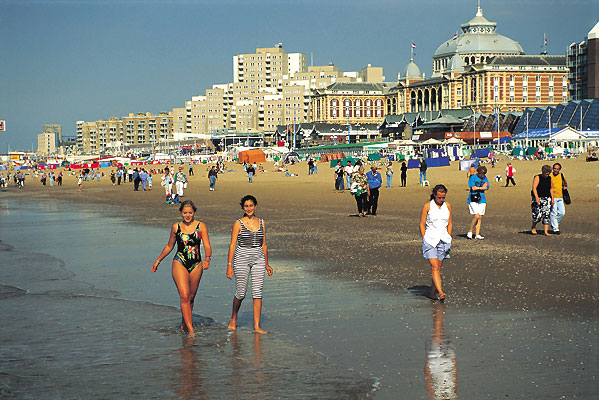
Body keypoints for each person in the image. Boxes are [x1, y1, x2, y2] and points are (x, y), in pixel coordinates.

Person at [151, 200, 212, 335]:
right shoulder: (176, 227)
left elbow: (207, 245)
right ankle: (191, 330)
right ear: (181, 213)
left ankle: (184, 324)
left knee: (191, 297)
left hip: (196, 264)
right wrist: (158, 261)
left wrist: (207, 258)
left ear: (194, 212)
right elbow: (169, 246)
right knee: (184, 296)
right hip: (180, 261)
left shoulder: (201, 226)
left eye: (190, 212)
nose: (187, 215)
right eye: (185, 213)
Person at [226, 195, 273, 334]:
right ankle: (233, 318)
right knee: (241, 292)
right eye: (246, 206)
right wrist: (229, 265)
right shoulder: (238, 223)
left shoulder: (262, 222)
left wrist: (267, 264)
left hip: (258, 258)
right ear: (243, 208)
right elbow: (233, 244)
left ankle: (257, 326)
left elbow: (263, 244)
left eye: (251, 205)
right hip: (241, 258)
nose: (249, 208)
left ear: (255, 206)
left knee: (257, 292)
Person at [419, 184, 452, 301]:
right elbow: (422, 223)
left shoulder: (447, 206)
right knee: (434, 267)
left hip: (443, 239)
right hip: (430, 240)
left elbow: (450, 223)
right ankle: (441, 292)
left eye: (443, 197)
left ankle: (432, 292)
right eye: (439, 197)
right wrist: (425, 237)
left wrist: (448, 235)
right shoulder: (427, 206)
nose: (441, 200)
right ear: (434, 195)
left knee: (438, 268)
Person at [531, 165, 554, 236]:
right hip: (538, 198)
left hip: (547, 198)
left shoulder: (550, 178)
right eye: (546, 173)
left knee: (546, 214)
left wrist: (552, 198)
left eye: (549, 173)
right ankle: (533, 227)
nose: (548, 174)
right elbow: (534, 188)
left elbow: (551, 189)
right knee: (538, 215)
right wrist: (537, 198)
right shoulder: (538, 177)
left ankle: (546, 231)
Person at [467, 165, 489, 240]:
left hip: (482, 199)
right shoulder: (473, 178)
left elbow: (487, 187)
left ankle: (477, 234)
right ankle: (470, 231)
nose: (482, 175)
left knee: (480, 217)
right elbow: (473, 188)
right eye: (481, 174)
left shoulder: (485, 178)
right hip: (473, 198)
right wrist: (482, 187)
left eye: (483, 174)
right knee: (476, 216)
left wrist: (479, 188)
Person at [549, 163, 568, 235]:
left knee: (562, 213)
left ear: (559, 169)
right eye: (554, 168)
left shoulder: (561, 175)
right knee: (553, 213)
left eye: (557, 169)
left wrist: (565, 187)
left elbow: (565, 183)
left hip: (560, 196)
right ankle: (555, 229)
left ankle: (555, 223)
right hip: (552, 197)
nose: (556, 170)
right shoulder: (550, 176)